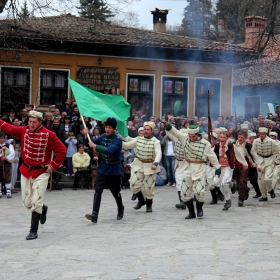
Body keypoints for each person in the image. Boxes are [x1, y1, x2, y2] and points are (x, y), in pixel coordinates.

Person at [0, 111, 66, 240]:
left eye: (34, 122)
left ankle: (33, 230)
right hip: (26, 170)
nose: (31, 124)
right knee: (27, 203)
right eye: (30, 121)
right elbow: (10, 128)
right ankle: (43, 208)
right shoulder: (23, 131)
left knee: (36, 201)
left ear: (40, 122)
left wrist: (53, 166)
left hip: (41, 172)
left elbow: (62, 150)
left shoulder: (49, 135)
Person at [163, 121, 221, 219]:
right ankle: (191, 212)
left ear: (197, 134)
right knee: (185, 192)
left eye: (193, 136)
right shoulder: (185, 138)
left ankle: (199, 209)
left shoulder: (205, 144)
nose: (191, 138)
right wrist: (167, 124)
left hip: (199, 168)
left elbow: (212, 156)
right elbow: (175, 132)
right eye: (189, 136)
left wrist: (217, 167)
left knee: (199, 192)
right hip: (187, 167)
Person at [85, 117, 124, 223]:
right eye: (106, 127)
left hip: (114, 168)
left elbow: (110, 150)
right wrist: (86, 135)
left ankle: (120, 208)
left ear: (114, 129)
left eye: (110, 128)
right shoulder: (102, 136)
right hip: (103, 167)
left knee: (115, 191)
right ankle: (94, 214)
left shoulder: (117, 140)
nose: (107, 129)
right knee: (98, 189)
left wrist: (96, 146)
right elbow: (90, 143)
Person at [122, 121, 162, 213]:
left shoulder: (156, 142)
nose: (146, 131)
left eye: (148, 130)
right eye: (145, 129)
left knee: (149, 188)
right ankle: (141, 200)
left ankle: (149, 205)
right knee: (133, 184)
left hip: (150, 165)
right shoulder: (138, 139)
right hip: (138, 164)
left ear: (151, 131)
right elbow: (127, 145)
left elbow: (158, 153)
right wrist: (117, 141)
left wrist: (155, 163)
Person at [213, 131, 248, 210]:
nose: (222, 139)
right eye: (220, 137)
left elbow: (239, 155)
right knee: (216, 182)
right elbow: (211, 154)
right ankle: (231, 186)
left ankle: (227, 200)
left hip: (228, 167)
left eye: (224, 137)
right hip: (219, 167)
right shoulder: (217, 146)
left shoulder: (231, 146)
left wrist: (244, 164)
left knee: (224, 182)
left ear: (227, 138)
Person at [251, 127, 280, 201]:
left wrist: (277, 161)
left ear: (266, 134)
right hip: (260, 160)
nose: (262, 135)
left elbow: (279, 150)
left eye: (263, 134)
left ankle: (270, 190)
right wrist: (257, 163)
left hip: (270, 160)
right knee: (260, 180)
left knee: (267, 178)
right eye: (260, 134)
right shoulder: (256, 141)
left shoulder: (272, 141)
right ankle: (264, 196)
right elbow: (253, 152)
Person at [0, 133, 15, 198]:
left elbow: (12, 153)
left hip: (6, 163)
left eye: (2, 138)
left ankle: (8, 191)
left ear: (4, 138)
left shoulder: (9, 145)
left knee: (7, 176)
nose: (1, 139)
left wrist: (6, 157)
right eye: (0, 138)